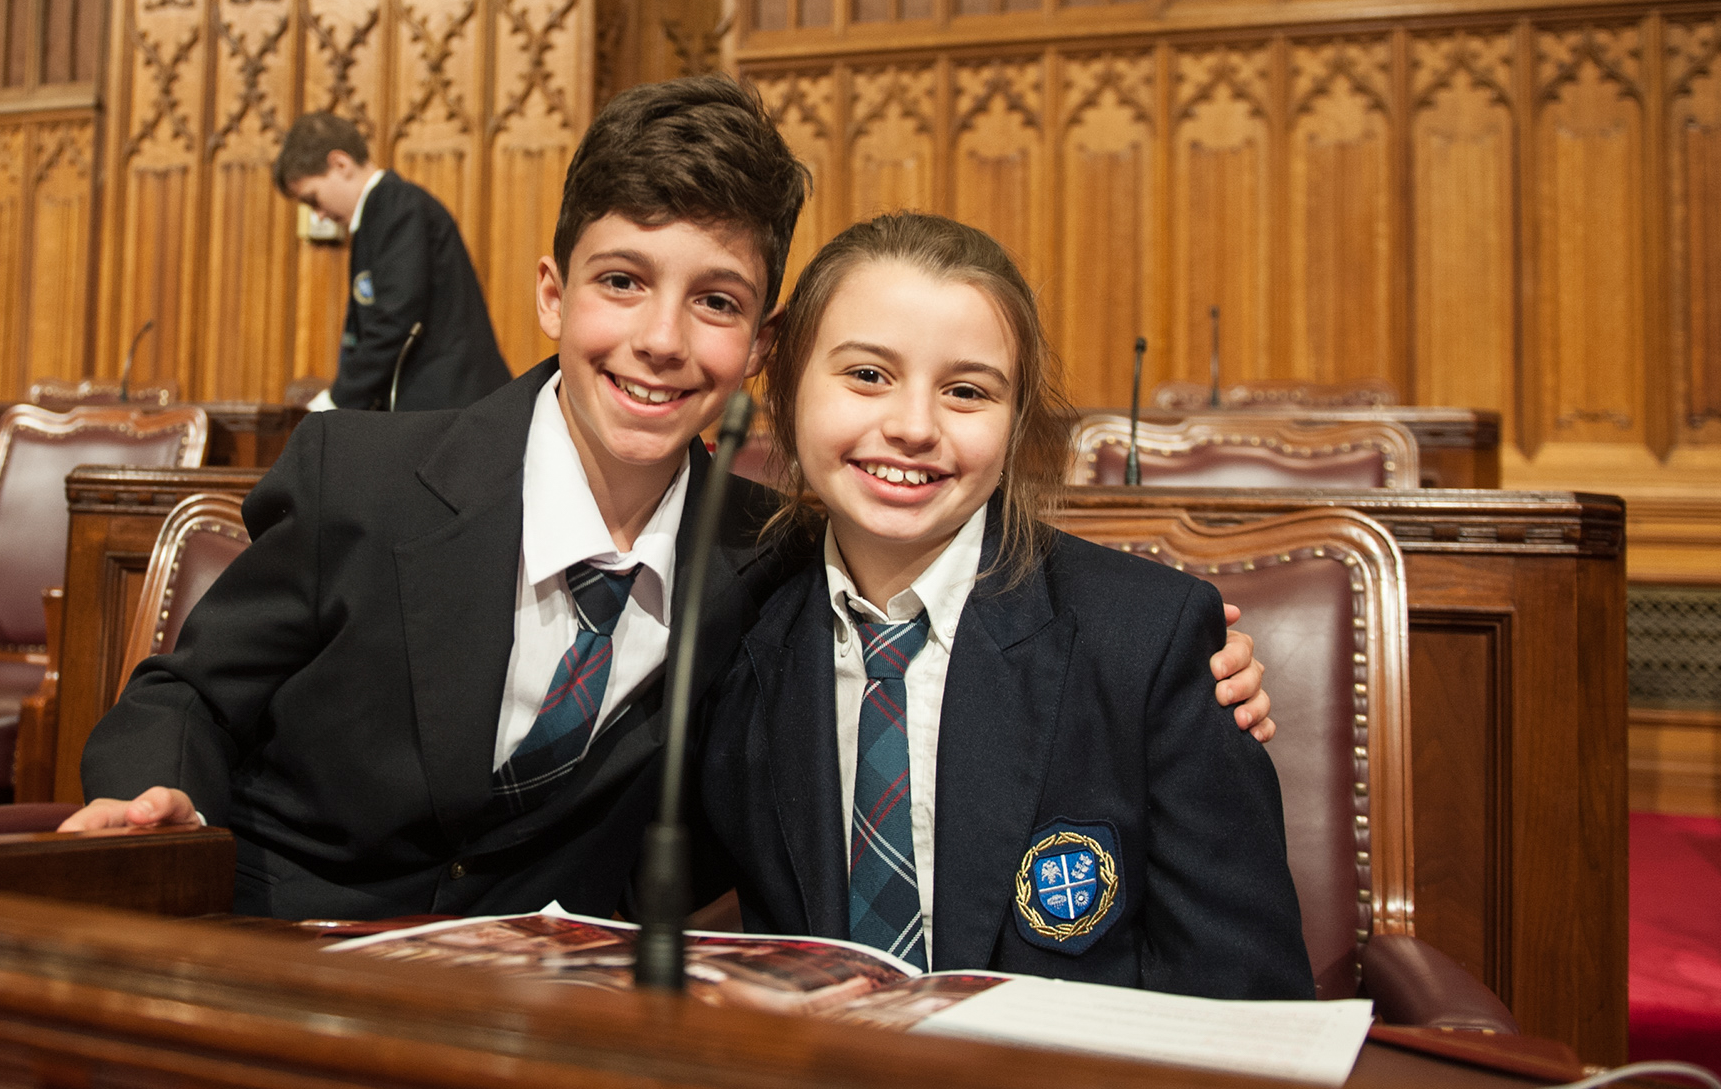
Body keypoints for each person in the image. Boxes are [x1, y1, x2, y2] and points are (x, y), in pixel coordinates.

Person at [64, 78, 1272, 923]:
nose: (657, 341)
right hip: (290, 957)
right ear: (551, 293)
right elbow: (191, 697)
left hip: (552, 1030)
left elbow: (954, 587)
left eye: (713, 301)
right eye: (621, 282)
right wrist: (147, 789)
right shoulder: (362, 482)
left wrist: (1188, 670)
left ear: (759, 345)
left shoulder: (767, 564)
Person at [695, 212, 1312, 999]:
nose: (912, 427)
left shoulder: (1149, 645)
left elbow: (1250, 997)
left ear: (1017, 419)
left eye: (966, 391)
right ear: (785, 382)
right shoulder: (733, 632)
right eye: (867, 375)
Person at [276, 112, 510, 412]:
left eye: (313, 199)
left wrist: (339, 400)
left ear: (340, 164)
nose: (317, 215)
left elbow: (396, 318)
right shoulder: (381, 213)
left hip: (453, 407)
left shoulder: (398, 209)